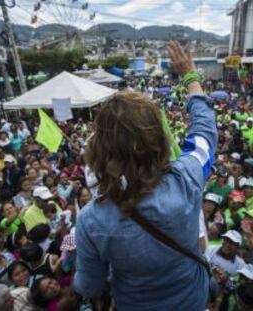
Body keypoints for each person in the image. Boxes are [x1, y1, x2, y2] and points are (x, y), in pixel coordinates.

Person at [74, 41, 217, 310]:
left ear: (101, 148)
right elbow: (205, 133)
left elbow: (89, 286)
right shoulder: (187, 178)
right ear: (160, 137)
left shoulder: (91, 220)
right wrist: (190, 77)